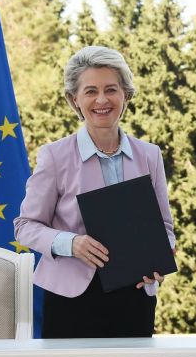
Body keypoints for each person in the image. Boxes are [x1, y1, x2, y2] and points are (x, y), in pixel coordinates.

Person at [14, 45, 175, 338]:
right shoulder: (55, 156)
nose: (102, 100)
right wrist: (71, 243)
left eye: (111, 89)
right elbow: (25, 226)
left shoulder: (150, 155)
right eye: (90, 91)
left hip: (136, 296)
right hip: (71, 299)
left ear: (126, 95)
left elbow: (164, 226)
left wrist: (160, 257)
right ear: (74, 99)